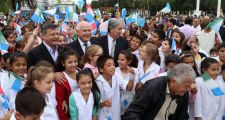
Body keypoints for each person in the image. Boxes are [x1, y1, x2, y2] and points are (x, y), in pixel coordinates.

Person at [122, 63, 196, 120]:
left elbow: (182, 116)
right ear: (173, 81)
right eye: (186, 86)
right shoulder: (152, 87)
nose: (189, 89)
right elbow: (132, 113)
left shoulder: (183, 93)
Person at [96, 55, 134, 120]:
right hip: (103, 115)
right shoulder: (98, 82)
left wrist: (132, 76)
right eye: (109, 65)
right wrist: (104, 104)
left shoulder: (116, 76)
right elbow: (95, 104)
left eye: (113, 65)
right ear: (101, 69)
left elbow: (128, 88)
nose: (113, 67)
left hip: (116, 114)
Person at [0, 52, 27, 117]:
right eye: (17, 65)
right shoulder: (10, 80)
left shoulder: (27, 78)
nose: (21, 67)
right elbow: (14, 104)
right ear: (11, 66)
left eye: (24, 64)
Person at [55, 47, 79, 120]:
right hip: (70, 114)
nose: (73, 64)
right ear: (63, 63)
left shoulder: (81, 72)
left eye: (75, 61)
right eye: (70, 62)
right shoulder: (61, 78)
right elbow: (60, 103)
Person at [116, 50, 136, 114]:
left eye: (122, 60)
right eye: (118, 59)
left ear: (129, 61)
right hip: (117, 104)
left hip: (131, 104)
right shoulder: (115, 71)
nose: (119, 61)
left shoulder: (134, 71)